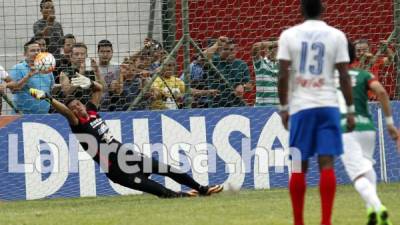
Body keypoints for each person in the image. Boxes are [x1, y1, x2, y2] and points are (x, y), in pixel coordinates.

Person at [29, 77, 223, 198]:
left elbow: (98, 90)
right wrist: (48, 98)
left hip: (128, 156)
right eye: (73, 108)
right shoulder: (78, 125)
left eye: (78, 104)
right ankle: (181, 196)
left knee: (167, 169)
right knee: (162, 192)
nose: (77, 108)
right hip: (118, 171)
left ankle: (202, 188)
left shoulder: (92, 112)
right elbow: (64, 112)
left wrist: (90, 82)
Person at [276, 1, 355, 225]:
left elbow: (282, 75)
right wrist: (349, 110)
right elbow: (345, 75)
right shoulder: (337, 36)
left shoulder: (288, 35)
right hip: (328, 105)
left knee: (299, 164)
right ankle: (325, 221)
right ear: (324, 9)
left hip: (301, 107)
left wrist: (284, 108)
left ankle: (299, 221)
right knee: (327, 163)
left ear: (301, 10)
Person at [338, 41, 398, 225]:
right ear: (356, 55)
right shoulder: (364, 74)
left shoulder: (333, 77)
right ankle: (371, 212)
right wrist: (390, 124)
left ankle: (379, 208)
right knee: (366, 167)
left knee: (357, 176)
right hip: (367, 129)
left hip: (347, 128)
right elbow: (381, 91)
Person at [8, 39, 54, 114]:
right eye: (32, 50)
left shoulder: (47, 69)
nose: (36, 52)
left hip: (44, 116)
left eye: (38, 50)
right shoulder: (18, 68)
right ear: (25, 54)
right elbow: (13, 90)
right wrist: (28, 75)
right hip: (22, 116)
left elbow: (50, 89)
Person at [252, 39, 279, 106]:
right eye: (270, 48)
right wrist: (278, 42)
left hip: (279, 109)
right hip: (262, 109)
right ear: (265, 50)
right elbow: (255, 46)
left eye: (276, 48)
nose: (273, 50)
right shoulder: (260, 63)